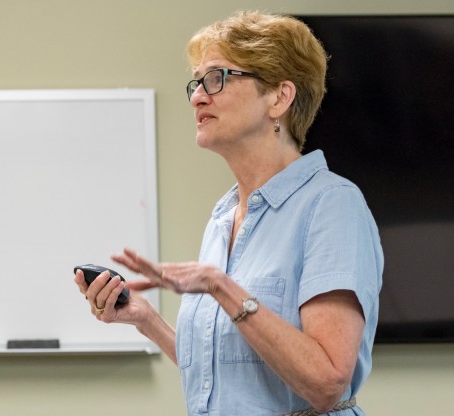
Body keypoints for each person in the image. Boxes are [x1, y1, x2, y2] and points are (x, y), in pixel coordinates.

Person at [73, 10, 383, 416]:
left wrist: (221, 286)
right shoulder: (224, 216)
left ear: (279, 97)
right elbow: (230, 377)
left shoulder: (332, 206)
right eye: (197, 83)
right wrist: (145, 320)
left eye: (217, 78)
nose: (198, 96)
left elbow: (325, 382)